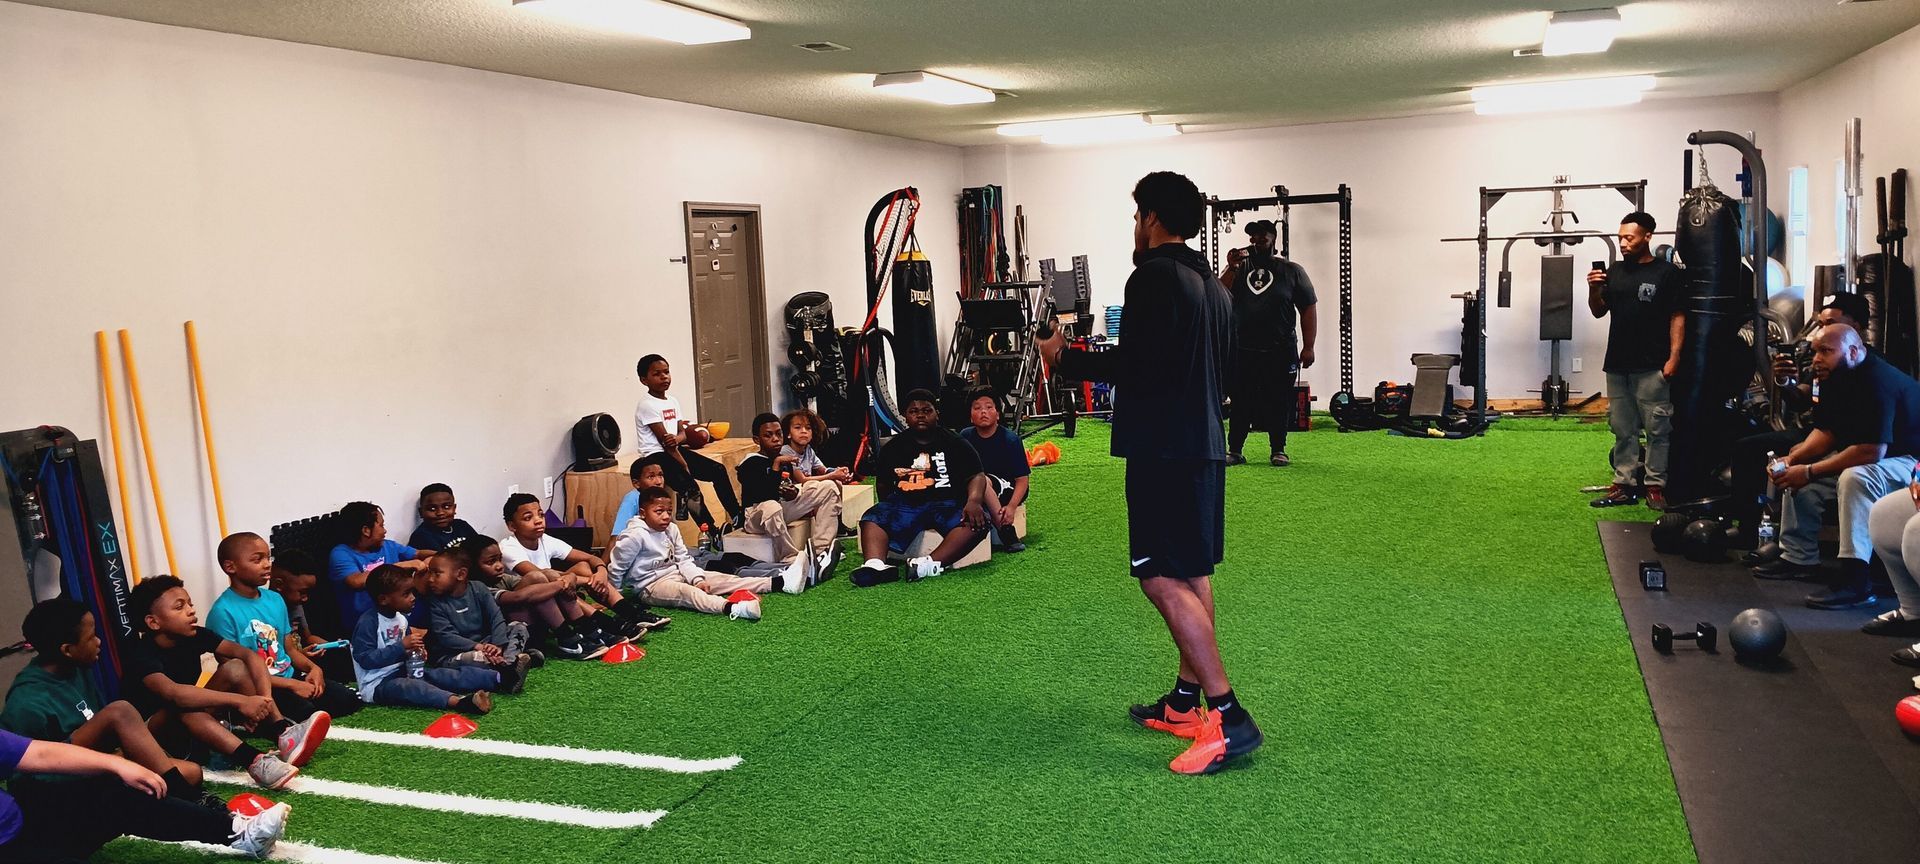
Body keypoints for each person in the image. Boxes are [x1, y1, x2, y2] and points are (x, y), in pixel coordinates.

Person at [1037, 170, 1261, 775]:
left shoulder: (1154, 276)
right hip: (1202, 445)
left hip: (1165, 449)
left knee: (1159, 577)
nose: (1135, 227)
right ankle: (1187, 702)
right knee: (1191, 570)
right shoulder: (1211, 285)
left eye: (1137, 216)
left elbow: (1138, 364)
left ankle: (1228, 716)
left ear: (1153, 218)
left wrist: (1065, 359)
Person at [1758, 323, 1920, 609]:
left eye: (1826, 351)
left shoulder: (1877, 381)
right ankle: (1798, 557)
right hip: (1879, 458)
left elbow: (1871, 451)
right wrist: (1793, 462)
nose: (1817, 359)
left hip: (1912, 464)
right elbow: (1827, 431)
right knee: (1799, 470)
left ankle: (1855, 581)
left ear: (1854, 352)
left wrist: (1808, 471)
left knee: (1855, 477)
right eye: (1816, 351)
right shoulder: (1831, 376)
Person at [120, 576, 318, 789]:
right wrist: (240, 701)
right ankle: (254, 760)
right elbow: (175, 694)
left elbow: (249, 657)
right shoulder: (141, 654)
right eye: (179, 607)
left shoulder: (195, 636)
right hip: (151, 737)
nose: (190, 611)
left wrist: (264, 700)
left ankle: (282, 732)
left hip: (189, 722)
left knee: (235, 668)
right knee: (183, 705)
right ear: (153, 622)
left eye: (190, 604)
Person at [0, 726, 288, 861]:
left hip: (22, 822)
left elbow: (37, 752)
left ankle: (239, 833)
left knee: (109, 791)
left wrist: (117, 764)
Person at [1733, 292, 1871, 557]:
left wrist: (1803, 464)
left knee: (1803, 474)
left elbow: (1858, 440)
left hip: (1852, 442)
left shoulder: (1867, 370)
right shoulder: (1824, 360)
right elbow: (1802, 399)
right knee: (1747, 449)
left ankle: (1844, 563)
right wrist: (1786, 383)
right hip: (1821, 432)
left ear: (1854, 328)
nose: (1823, 330)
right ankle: (1750, 530)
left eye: (1831, 323)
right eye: (1821, 324)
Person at [207, 532, 362, 722]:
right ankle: (240, 716)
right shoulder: (222, 612)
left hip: (289, 675)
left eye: (267, 557)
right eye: (257, 560)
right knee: (307, 714)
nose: (266, 564)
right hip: (258, 687)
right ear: (231, 567)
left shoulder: (275, 600)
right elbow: (236, 673)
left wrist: (313, 669)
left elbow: (288, 648)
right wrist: (291, 686)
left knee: (348, 700)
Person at [1588, 212, 1685, 511]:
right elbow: (1598, 311)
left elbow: (1677, 317)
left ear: (1647, 237)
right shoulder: (1614, 272)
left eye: (1629, 238)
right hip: (1617, 364)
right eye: (1620, 238)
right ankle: (1625, 484)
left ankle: (1655, 486)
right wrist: (1594, 288)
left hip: (1652, 365)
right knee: (1622, 428)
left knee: (1657, 430)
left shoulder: (1667, 274)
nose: (1623, 243)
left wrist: (1674, 358)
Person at [848, 390, 990, 587]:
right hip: (908, 502)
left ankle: (928, 564)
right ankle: (875, 565)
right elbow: (883, 483)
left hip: (946, 502)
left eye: (927, 410)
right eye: (914, 411)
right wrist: (890, 508)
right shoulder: (894, 447)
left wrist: (973, 501)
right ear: (905, 416)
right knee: (872, 518)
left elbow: (976, 474)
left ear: (936, 413)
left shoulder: (954, 441)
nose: (920, 415)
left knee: (977, 522)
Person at [1217, 219, 1317, 467]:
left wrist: (1309, 346)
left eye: (1262, 237)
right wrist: (1230, 267)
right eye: (1252, 237)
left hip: (1280, 349)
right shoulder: (1239, 269)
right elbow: (1218, 294)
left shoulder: (1292, 271)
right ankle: (1236, 450)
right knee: (1241, 400)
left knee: (1279, 400)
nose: (1256, 241)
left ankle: (1278, 450)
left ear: (1273, 239)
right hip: (1243, 349)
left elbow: (1308, 308)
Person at [607, 487, 785, 620]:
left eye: (669, 511)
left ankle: (779, 582)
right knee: (688, 593)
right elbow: (617, 567)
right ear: (643, 513)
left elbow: (684, 559)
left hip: (676, 573)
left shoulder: (672, 529)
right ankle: (733, 609)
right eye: (658, 512)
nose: (666, 517)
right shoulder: (634, 535)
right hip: (651, 586)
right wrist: (614, 597)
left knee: (720, 579)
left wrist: (698, 579)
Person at [500, 492, 650, 642]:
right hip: (528, 608)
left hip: (552, 596)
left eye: (541, 515)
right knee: (554, 580)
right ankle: (604, 623)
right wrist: (589, 580)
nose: (538, 521)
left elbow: (590, 558)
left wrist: (602, 571)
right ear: (512, 526)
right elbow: (540, 576)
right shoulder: (508, 547)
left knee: (582, 566)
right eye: (528, 518)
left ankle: (630, 613)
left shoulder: (544, 539)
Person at [349, 565, 496, 715]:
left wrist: (416, 651)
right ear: (383, 599)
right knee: (411, 688)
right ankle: (461, 703)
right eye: (406, 594)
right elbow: (365, 659)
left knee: (443, 675)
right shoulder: (369, 622)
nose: (413, 598)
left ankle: (500, 678)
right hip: (377, 684)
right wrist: (402, 647)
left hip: (404, 671)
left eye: (412, 591)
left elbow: (407, 650)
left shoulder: (401, 619)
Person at [456, 535, 625, 660]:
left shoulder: (502, 578)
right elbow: (517, 597)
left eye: (500, 559)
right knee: (537, 583)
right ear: (471, 566)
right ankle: (567, 637)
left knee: (547, 576)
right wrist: (561, 584)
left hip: (538, 627)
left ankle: (586, 629)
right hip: (517, 634)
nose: (500, 566)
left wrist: (568, 578)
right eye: (491, 562)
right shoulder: (477, 588)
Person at [634, 354, 742, 539]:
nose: (664, 377)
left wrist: (678, 440)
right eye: (657, 374)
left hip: (674, 450)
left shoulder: (672, 401)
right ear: (644, 380)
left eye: (666, 372)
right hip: (656, 455)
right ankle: (710, 531)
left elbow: (682, 433)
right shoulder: (647, 405)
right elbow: (664, 443)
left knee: (718, 470)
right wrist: (684, 465)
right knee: (690, 488)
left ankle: (737, 515)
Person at [737, 412, 842, 574]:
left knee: (828, 487)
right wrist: (777, 465)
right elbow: (764, 495)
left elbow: (783, 490)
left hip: (779, 509)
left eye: (778, 434)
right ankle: (790, 558)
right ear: (757, 440)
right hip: (755, 517)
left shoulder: (784, 459)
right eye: (768, 435)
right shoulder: (750, 463)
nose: (775, 439)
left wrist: (792, 493)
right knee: (771, 506)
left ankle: (820, 551)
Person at [418, 548, 533, 694]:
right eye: (430, 572)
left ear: (461, 574)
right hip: (454, 654)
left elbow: (496, 618)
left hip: (487, 644)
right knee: (477, 657)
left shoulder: (478, 588)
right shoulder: (436, 601)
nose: (430, 579)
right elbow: (445, 636)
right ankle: (511, 667)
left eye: (437, 573)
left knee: (519, 627)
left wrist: (498, 645)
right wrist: (479, 647)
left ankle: (508, 665)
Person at [327, 501, 434, 625]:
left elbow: (419, 553)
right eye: (381, 525)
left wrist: (439, 556)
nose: (385, 531)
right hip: (369, 623)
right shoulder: (341, 553)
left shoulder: (388, 545)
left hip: (401, 614)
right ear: (366, 530)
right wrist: (401, 566)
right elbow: (355, 581)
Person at [960, 388, 1032, 553]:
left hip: (1008, 488)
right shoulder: (965, 436)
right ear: (971, 416)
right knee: (977, 481)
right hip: (977, 490)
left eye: (989, 407)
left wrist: (1012, 506)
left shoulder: (1010, 440)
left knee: (982, 480)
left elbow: (1022, 479)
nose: (983, 412)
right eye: (977, 408)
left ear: (998, 414)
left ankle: (1005, 530)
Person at [611, 453, 673, 540]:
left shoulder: (663, 498)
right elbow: (617, 536)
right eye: (651, 477)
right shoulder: (632, 498)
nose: (659, 481)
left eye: (660, 475)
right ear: (637, 483)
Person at [408, 483, 482, 552]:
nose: (440, 513)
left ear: (454, 508)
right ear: (421, 512)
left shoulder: (462, 525)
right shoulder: (421, 536)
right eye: (432, 509)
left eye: (446, 507)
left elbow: (481, 548)